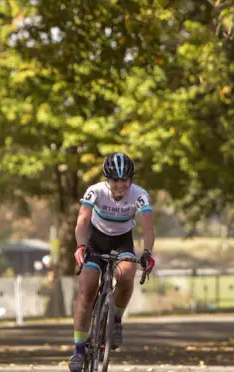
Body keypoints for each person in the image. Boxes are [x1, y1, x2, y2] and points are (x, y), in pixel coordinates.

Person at [68, 152, 155, 372]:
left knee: (126, 275)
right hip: (94, 241)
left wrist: (147, 252)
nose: (119, 185)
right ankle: (78, 350)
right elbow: (83, 220)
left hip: (122, 241)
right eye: (115, 180)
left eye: (124, 180)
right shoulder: (94, 191)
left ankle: (115, 320)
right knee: (87, 289)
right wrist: (80, 246)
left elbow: (148, 227)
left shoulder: (140, 194)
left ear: (131, 180)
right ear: (107, 180)